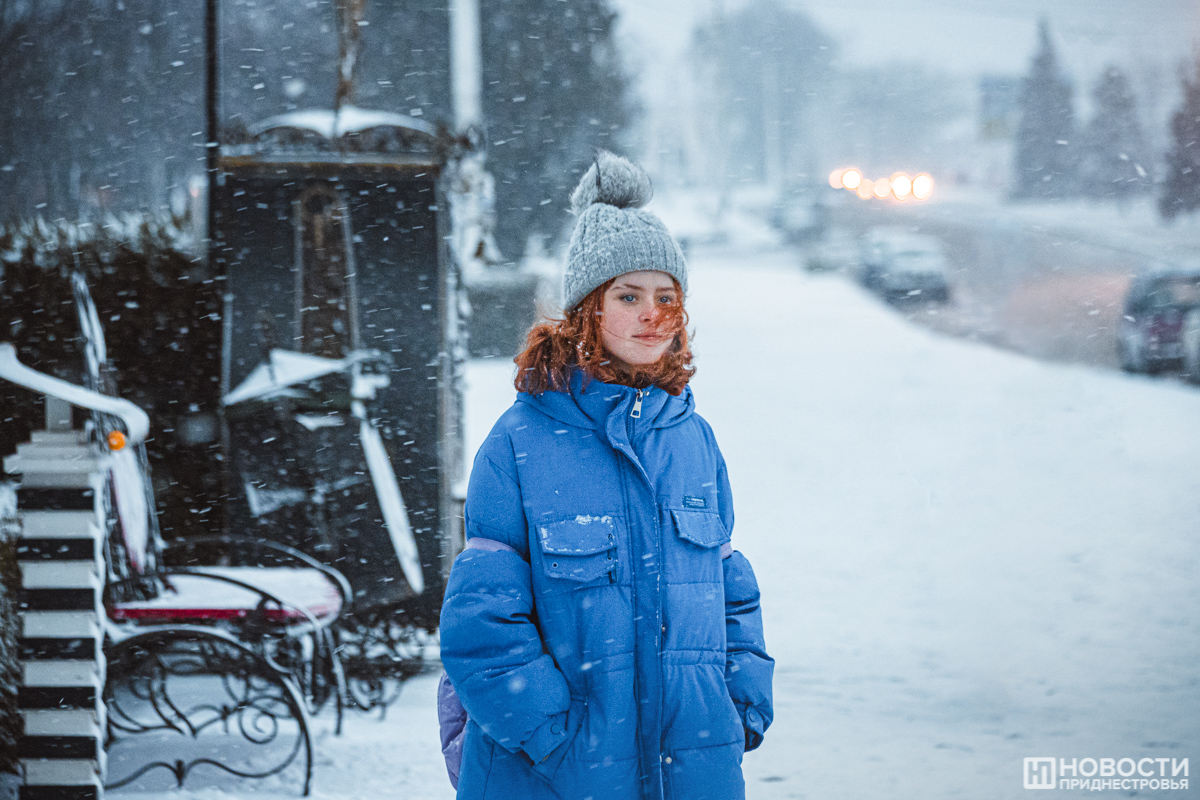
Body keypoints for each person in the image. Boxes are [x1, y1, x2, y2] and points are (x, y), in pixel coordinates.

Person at [439, 150, 773, 800]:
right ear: (586, 308)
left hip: (693, 768)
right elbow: (482, 624)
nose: (653, 315)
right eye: (628, 296)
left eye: (666, 298)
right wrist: (554, 735)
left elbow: (732, 590)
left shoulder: (693, 440)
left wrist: (739, 706)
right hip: (552, 776)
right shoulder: (519, 443)